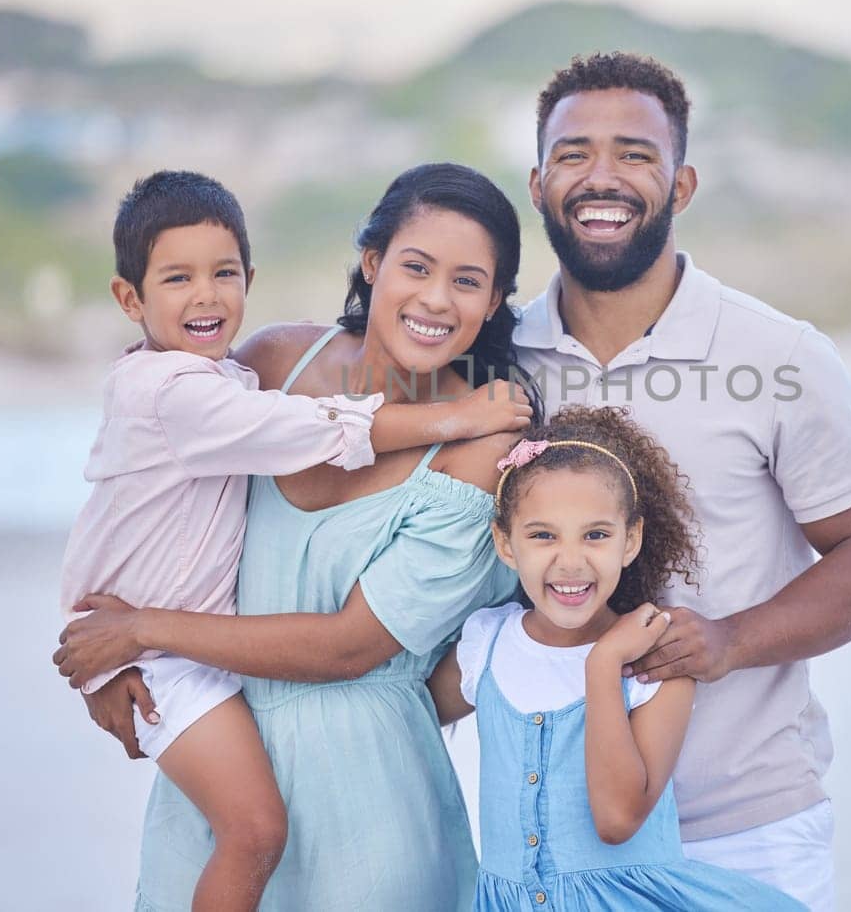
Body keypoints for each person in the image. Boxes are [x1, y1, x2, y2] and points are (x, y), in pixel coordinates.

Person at [54, 163, 535, 911]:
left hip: (371, 802)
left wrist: (142, 630)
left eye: (468, 281)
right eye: (415, 266)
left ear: (495, 300)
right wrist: (104, 658)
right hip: (220, 777)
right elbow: (145, 493)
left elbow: (349, 646)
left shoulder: (477, 450)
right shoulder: (275, 363)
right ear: (372, 263)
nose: (437, 298)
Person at [512, 53, 851, 909]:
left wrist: (730, 639)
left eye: (635, 153)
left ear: (682, 184)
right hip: (557, 840)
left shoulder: (778, 355)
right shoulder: (497, 358)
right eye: (574, 153)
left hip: (747, 829)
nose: (603, 176)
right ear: (540, 183)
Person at [427, 404, 805, 910]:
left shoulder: (656, 665)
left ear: (631, 541)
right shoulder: (486, 645)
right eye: (543, 535)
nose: (571, 561)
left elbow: (616, 819)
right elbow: (407, 721)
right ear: (506, 544)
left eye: (596, 535)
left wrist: (603, 666)